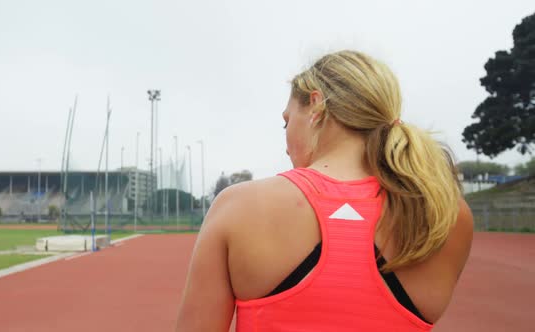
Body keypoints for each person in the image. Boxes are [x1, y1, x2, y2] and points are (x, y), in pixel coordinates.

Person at [176, 50, 473, 331]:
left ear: (316, 105)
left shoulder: (240, 206)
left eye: (286, 122)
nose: (286, 140)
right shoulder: (444, 212)